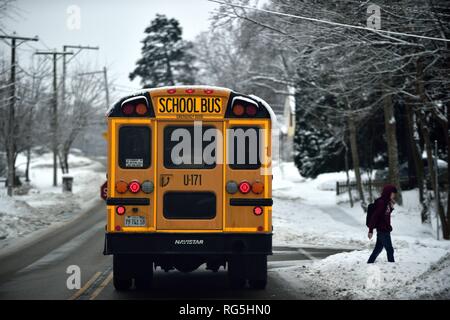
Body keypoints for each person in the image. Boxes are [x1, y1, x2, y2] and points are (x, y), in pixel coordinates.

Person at [367, 184, 397, 263]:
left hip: (384, 229)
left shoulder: (387, 202)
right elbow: (375, 216)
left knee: (378, 249)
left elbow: (385, 215)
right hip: (383, 230)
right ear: (388, 193)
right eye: (392, 193)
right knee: (390, 250)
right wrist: (370, 230)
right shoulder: (382, 203)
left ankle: (369, 263)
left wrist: (391, 207)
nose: (394, 195)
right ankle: (392, 266)